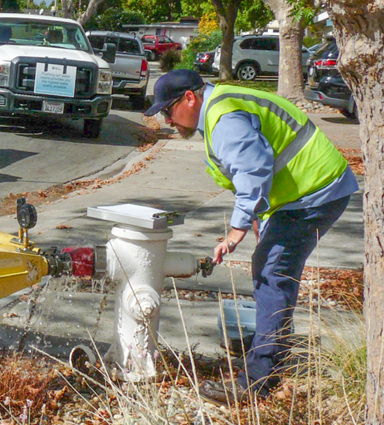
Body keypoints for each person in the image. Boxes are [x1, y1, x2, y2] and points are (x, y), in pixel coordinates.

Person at [144, 68, 359, 405]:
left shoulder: (223, 116)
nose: (167, 121)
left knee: (273, 273)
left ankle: (258, 380)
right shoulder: (221, 107)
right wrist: (260, 217)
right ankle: (267, 352)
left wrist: (235, 232)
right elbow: (256, 170)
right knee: (269, 267)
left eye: (167, 111)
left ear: (189, 98)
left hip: (316, 191)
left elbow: (254, 169)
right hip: (303, 193)